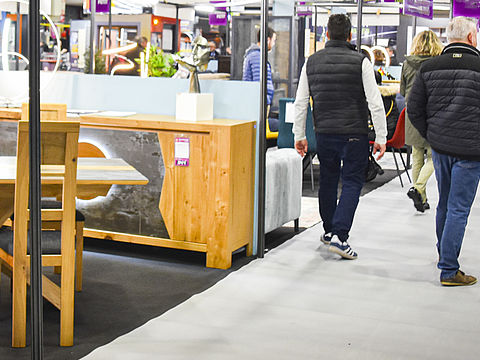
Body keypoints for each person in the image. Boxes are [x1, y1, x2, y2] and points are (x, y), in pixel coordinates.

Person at [293, 14, 387, 260]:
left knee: (328, 179)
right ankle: (340, 236)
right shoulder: (360, 62)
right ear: (349, 36)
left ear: (326, 34)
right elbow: (375, 103)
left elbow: (301, 102)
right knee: (353, 182)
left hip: (324, 132)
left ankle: (328, 230)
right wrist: (381, 136)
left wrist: (299, 134)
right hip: (354, 133)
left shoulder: (311, 62)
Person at [408, 16, 480, 286]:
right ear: (472, 38)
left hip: (441, 148)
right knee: (459, 208)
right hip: (471, 151)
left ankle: (444, 253)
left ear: (449, 37)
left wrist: (433, 135)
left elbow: (413, 109)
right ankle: (449, 269)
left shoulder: (429, 67)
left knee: (445, 203)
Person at [400, 30, 443, 213]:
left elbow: (402, 92)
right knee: (434, 156)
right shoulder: (438, 65)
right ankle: (418, 189)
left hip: (412, 114)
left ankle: (421, 199)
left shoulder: (407, 64)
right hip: (433, 114)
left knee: (417, 156)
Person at [242, 27, 278, 132]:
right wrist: (266, 101)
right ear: (267, 40)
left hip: (258, 104)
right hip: (258, 105)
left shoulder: (257, 55)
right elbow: (259, 84)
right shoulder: (257, 56)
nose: (274, 44)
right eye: (274, 40)